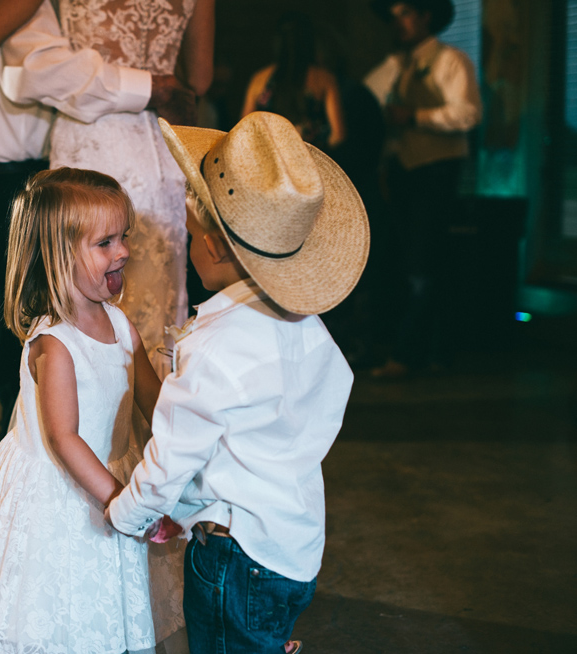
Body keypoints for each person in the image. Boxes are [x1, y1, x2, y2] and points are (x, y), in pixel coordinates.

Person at [107, 112, 370, 654]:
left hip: (238, 558)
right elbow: (313, 411)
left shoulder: (217, 347)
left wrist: (126, 514)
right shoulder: (312, 330)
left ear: (216, 248)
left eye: (189, 230)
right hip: (294, 547)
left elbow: (173, 455)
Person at [0, 0, 195, 448]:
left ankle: (112, 463)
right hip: (1, 176)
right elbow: (31, 68)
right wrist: (153, 86)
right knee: (32, 336)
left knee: (60, 333)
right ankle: (43, 467)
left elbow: (7, 58)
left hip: (47, 165)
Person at [0, 168, 186, 654]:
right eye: (105, 243)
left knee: (107, 616)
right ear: (57, 255)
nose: (122, 251)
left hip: (111, 478)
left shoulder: (122, 325)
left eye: (124, 236)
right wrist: (123, 503)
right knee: (60, 621)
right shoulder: (54, 346)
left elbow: (154, 402)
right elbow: (65, 439)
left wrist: (187, 451)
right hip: (63, 499)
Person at [364, 0, 482, 378]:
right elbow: (369, 100)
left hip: (435, 172)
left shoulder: (452, 60)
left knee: (422, 265)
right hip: (401, 176)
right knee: (411, 263)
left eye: (406, 14)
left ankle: (407, 354)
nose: (398, 22)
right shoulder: (396, 65)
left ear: (426, 16)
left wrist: (415, 117)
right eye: (394, 16)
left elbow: (468, 113)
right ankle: (436, 350)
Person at [241, 11, 345, 152]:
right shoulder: (324, 79)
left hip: (268, 164)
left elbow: (243, 131)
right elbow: (338, 135)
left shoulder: (259, 79)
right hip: (308, 165)